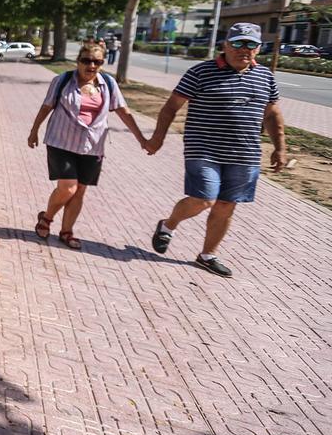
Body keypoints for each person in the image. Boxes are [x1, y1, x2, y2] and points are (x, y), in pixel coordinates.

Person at [146, 22, 287, 278]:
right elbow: (170, 107)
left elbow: (272, 113)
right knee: (204, 199)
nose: (244, 49)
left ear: (258, 48)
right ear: (225, 45)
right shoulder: (200, 72)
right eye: (238, 43)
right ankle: (168, 225)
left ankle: (207, 255)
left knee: (225, 205)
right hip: (203, 149)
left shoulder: (265, 76)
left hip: (245, 154)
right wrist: (158, 137)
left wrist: (280, 148)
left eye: (251, 44)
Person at [27, 41, 149, 249]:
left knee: (80, 190)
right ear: (78, 61)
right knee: (68, 187)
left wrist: (142, 139)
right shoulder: (63, 80)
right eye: (86, 61)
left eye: (97, 62)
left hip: (93, 145)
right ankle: (46, 218)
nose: (91, 66)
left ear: (102, 63)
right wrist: (34, 130)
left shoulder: (108, 84)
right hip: (61, 141)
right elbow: (47, 106)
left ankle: (67, 231)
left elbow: (123, 111)